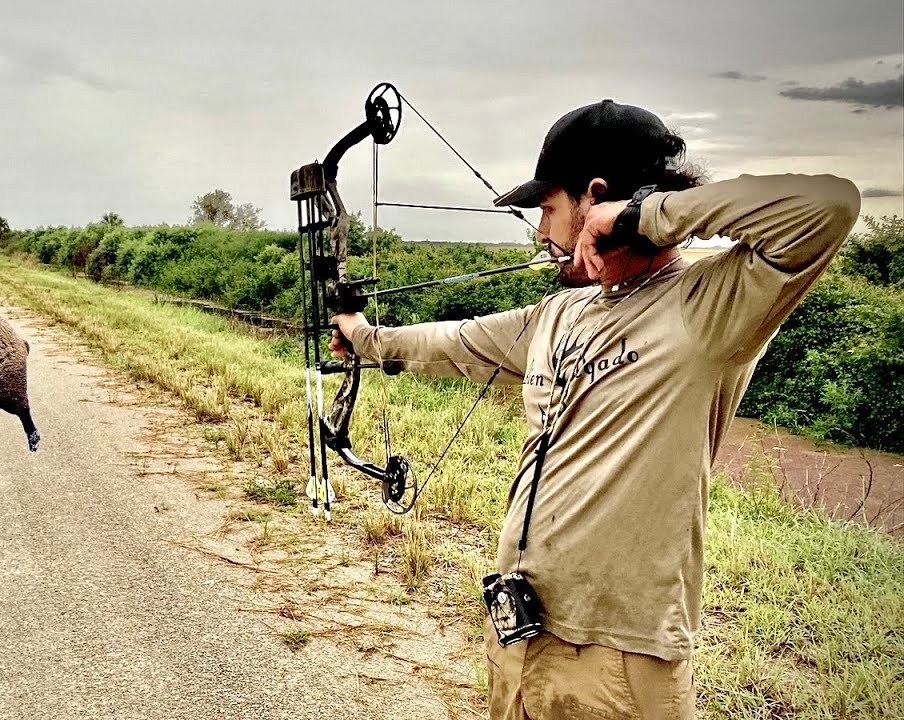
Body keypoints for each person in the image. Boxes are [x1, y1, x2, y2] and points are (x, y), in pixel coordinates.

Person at [330, 99, 860, 719]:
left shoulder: (709, 307)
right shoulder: (564, 311)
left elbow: (831, 205)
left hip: (619, 662)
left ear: (597, 199)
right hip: (521, 636)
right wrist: (364, 338)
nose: (540, 232)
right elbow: (456, 341)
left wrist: (647, 216)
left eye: (549, 210)